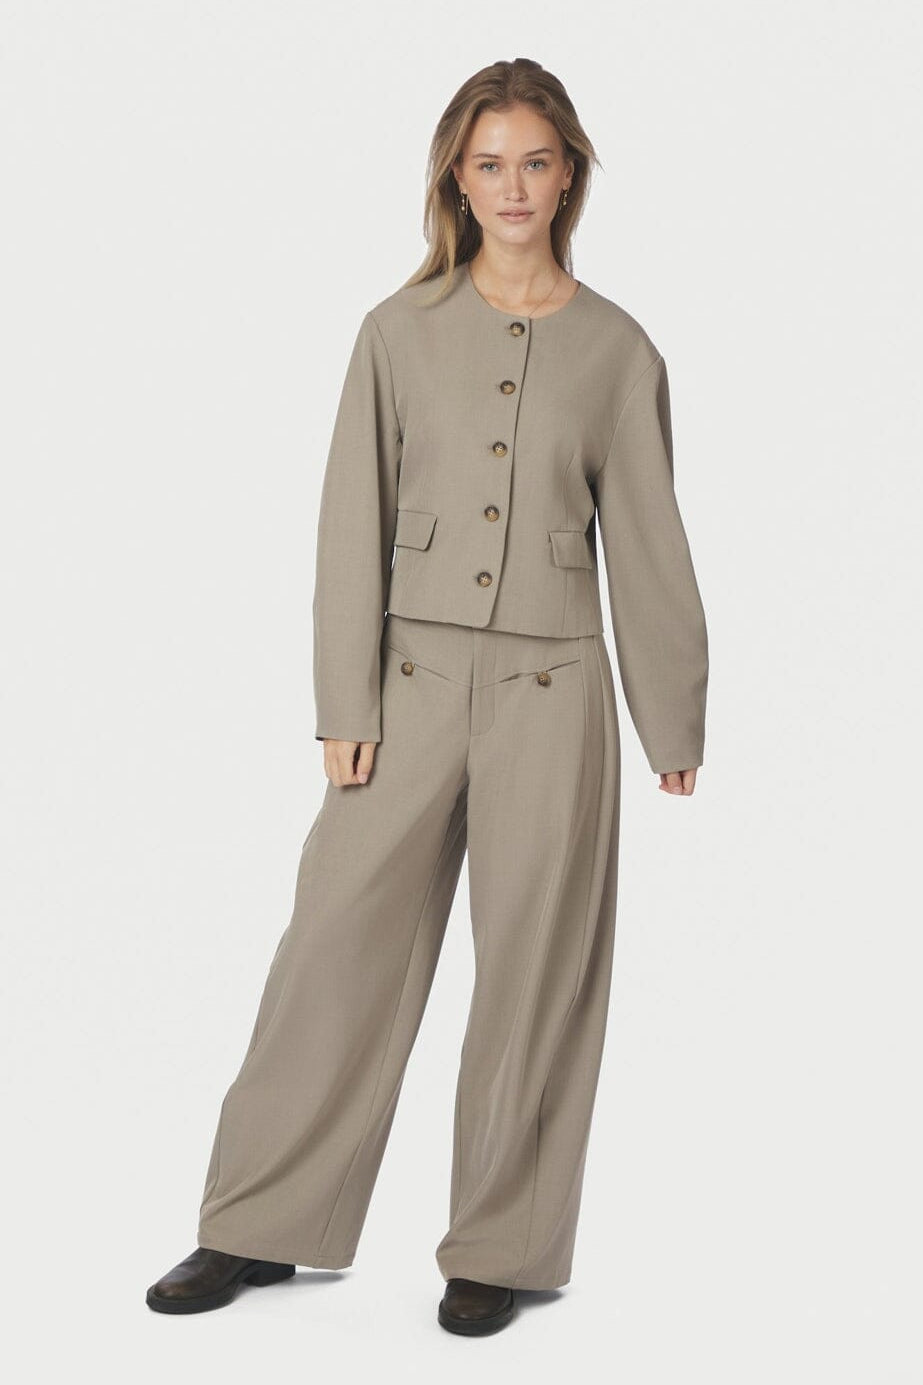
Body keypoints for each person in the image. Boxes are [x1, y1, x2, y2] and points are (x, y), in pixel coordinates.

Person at [146, 57, 709, 1337]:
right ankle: (256, 1221)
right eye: (487, 163)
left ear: (567, 174)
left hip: (555, 691)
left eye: (534, 161)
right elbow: (351, 518)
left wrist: (669, 712)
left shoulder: (618, 350)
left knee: (536, 971)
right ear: (456, 178)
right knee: (332, 947)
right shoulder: (396, 332)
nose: (511, 186)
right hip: (405, 685)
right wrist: (342, 700)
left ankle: (501, 1245)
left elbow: (648, 541)